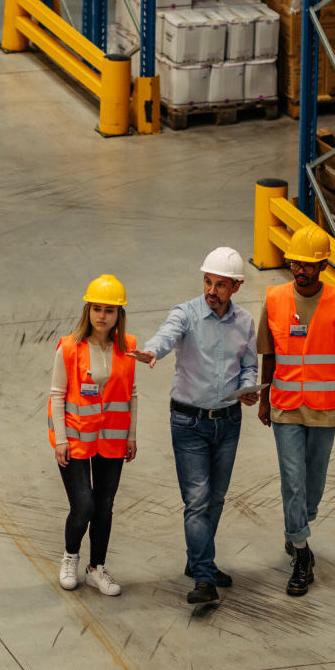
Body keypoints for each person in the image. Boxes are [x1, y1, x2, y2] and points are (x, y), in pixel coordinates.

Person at [133, 247, 258, 606]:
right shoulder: (186, 314)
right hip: (188, 422)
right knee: (198, 500)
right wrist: (153, 351)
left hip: (228, 422)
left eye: (220, 284)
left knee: (215, 499)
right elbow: (166, 336)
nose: (211, 290)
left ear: (235, 287)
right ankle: (204, 576)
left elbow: (248, 365)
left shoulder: (245, 323)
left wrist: (248, 390)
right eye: (207, 281)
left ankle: (197, 558)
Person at [257, 224, 335, 597]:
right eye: (295, 263)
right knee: (292, 478)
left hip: (325, 407)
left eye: (307, 265)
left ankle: (298, 528)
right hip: (285, 406)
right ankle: (302, 554)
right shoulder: (273, 299)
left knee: (313, 483)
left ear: (322, 267)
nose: (299, 270)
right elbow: (269, 353)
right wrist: (263, 397)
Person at [48, 274, 138, 598]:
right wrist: (60, 440)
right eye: (97, 308)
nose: (102, 315)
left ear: (119, 315)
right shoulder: (70, 348)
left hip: (112, 440)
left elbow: (132, 394)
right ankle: (70, 557)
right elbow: (57, 394)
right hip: (75, 439)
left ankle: (96, 568)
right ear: (88, 311)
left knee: (105, 505)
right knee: (83, 505)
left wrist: (131, 436)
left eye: (110, 310)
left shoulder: (128, 349)